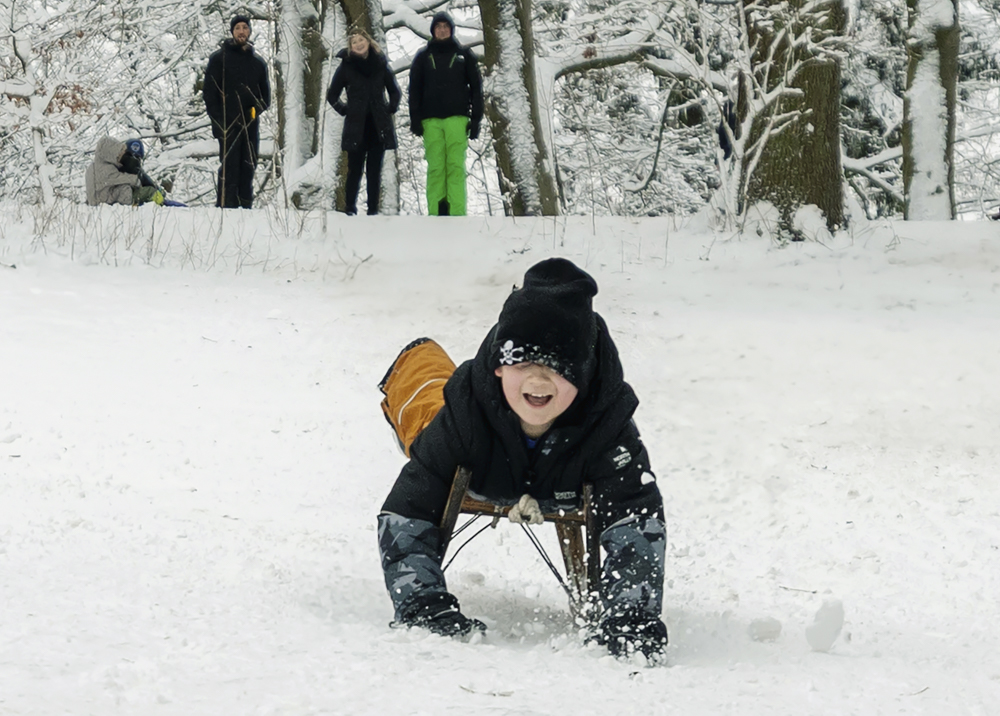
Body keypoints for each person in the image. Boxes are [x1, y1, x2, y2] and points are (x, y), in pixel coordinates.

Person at [376, 258, 668, 660]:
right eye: (523, 362)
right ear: (498, 367)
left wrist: (629, 618)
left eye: (557, 367)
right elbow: (408, 510)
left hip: (562, 473)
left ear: (583, 375)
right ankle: (418, 359)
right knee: (425, 411)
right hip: (484, 455)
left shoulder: (608, 423)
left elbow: (635, 518)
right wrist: (422, 602)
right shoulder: (465, 414)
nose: (537, 379)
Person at [407, 12, 483, 216]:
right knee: (436, 167)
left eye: (445, 26)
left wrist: (476, 119)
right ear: (433, 31)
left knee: (455, 166)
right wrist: (415, 118)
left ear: (451, 29)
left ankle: (457, 213)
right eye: (438, 27)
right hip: (430, 120)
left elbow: (476, 88)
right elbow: (414, 89)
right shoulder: (422, 57)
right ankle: (437, 212)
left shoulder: (464, 55)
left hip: (457, 119)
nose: (442, 30)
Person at [326, 29, 401, 216]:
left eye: (361, 40)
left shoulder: (381, 65)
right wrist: (344, 110)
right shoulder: (346, 67)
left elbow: (395, 91)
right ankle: (349, 209)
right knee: (354, 170)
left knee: (375, 171)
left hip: (377, 125)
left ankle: (373, 211)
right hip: (355, 126)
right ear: (350, 47)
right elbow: (332, 95)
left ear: (368, 42)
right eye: (354, 42)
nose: (358, 44)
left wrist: (390, 108)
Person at [203, 14, 271, 208]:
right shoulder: (219, 59)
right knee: (229, 168)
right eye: (238, 28)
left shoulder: (258, 63)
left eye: (245, 27)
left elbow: (265, 99)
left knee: (249, 166)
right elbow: (209, 94)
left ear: (249, 31)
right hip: (226, 124)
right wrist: (220, 121)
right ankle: (225, 209)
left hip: (249, 124)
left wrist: (250, 115)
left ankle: (246, 209)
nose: (241, 31)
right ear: (232, 32)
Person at [85, 137, 163, 206]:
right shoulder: (106, 169)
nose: (120, 156)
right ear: (110, 154)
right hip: (105, 202)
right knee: (128, 189)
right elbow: (123, 178)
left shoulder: (92, 167)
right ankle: (157, 198)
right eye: (118, 154)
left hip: (101, 199)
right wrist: (137, 180)